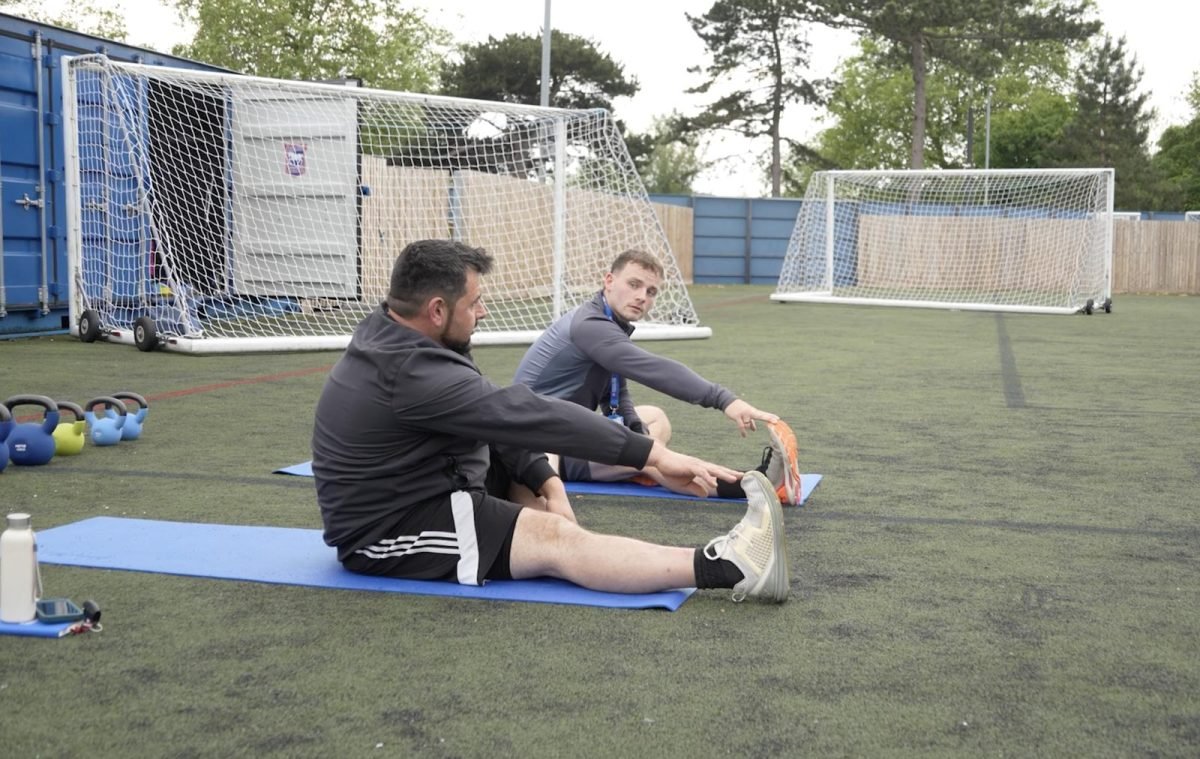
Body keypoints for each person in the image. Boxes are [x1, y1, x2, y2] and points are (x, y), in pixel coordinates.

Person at [311, 239, 790, 603]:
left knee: (562, 489)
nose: (482, 311)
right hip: (392, 530)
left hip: (446, 473)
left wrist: (549, 485)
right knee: (556, 540)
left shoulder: (411, 338)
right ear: (436, 310)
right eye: (474, 303)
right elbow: (524, 413)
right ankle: (730, 564)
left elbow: (492, 418)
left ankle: (728, 486)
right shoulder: (409, 369)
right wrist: (654, 455)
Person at [513, 248, 803, 505]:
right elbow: (655, 369)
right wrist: (725, 400)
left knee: (654, 419)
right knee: (650, 459)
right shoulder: (590, 325)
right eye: (634, 284)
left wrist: (634, 433)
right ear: (609, 281)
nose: (642, 296)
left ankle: (634, 466)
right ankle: (753, 485)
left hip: (563, 430)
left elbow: (616, 395)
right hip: (537, 443)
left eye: (651, 291)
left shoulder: (607, 321)